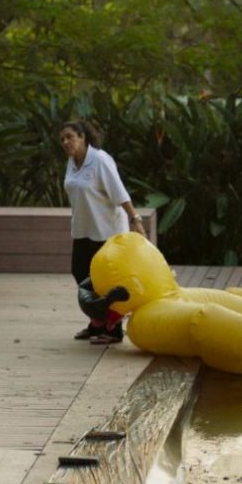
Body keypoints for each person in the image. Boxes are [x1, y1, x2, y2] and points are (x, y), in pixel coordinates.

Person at [60, 119, 146, 344]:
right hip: (82, 230)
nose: (66, 142)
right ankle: (98, 322)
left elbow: (120, 192)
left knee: (105, 282)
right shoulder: (71, 162)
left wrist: (135, 219)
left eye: (70, 136)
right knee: (81, 274)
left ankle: (113, 329)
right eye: (62, 139)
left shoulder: (99, 160)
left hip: (107, 232)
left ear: (82, 137)